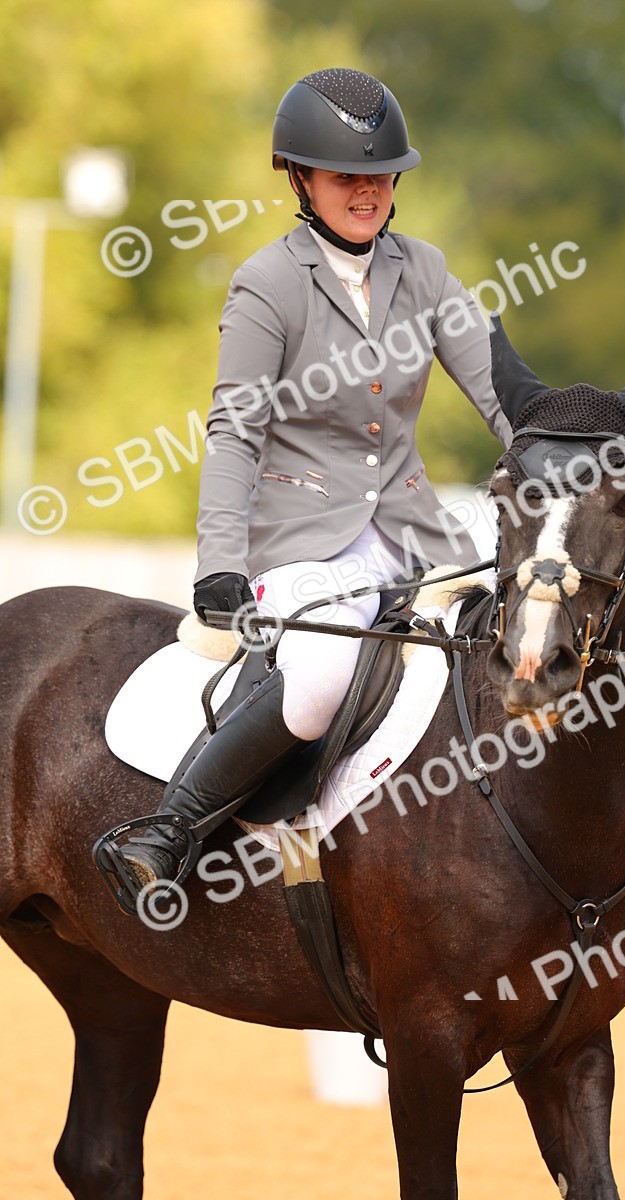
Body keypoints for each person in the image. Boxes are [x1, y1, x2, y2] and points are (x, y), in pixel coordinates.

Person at [115, 66, 512, 892]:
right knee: (324, 676)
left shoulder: (426, 270)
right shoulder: (267, 283)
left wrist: (559, 453)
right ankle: (169, 828)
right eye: (344, 177)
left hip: (416, 535)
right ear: (300, 178)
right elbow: (235, 429)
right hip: (302, 540)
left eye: (381, 177)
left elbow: (498, 393)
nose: (367, 192)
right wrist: (219, 562)